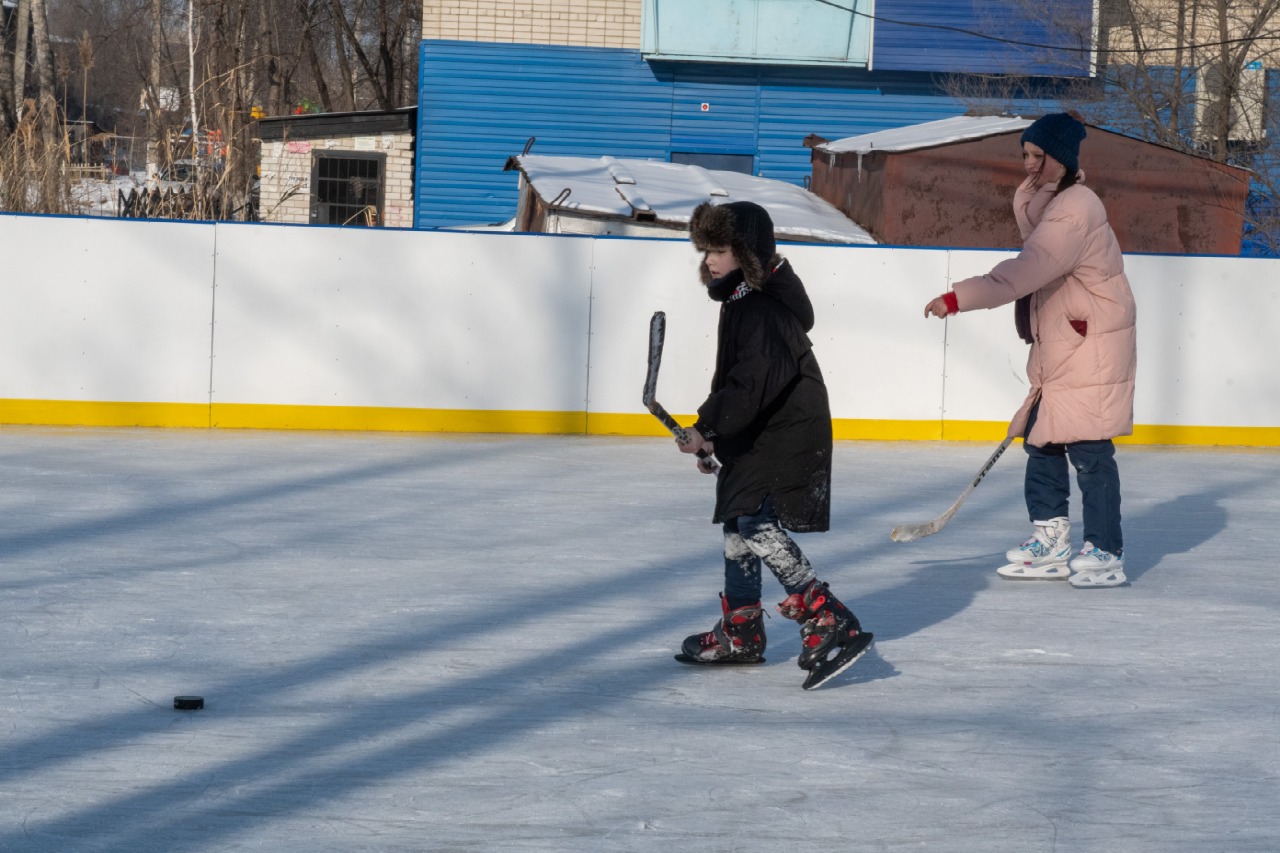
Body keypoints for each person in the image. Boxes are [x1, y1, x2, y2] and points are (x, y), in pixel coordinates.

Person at [923, 112, 1137, 589]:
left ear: (1062, 160)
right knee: (1041, 437)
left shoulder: (1076, 208)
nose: (1029, 166)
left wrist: (961, 297)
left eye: (1039, 157)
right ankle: (1051, 537)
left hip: (1092, 340)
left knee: (1089, 445)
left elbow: (1029, 268)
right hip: (1061, 335)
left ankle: (1105, 548)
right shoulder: (1045, 202)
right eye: (1025, 155)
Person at [675, 200, 872, 688]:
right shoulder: (741, 299)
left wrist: (709, 427)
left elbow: (753, 383)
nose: (710, 260)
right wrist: (712, 434)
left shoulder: (760, 307)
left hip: (786, 431)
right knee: (737, 523)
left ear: (747, 252)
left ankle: (826, 616)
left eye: (720, 249)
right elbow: (738, 383)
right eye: (706, 250)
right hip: (762, 428)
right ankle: (742, 630)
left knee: (757, 522)